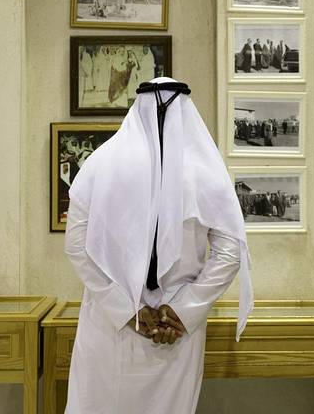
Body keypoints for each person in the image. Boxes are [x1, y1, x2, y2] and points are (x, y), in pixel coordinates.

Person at [64, 77, 253, 414]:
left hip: (111, 322)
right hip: (174, 329)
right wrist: (183, 310)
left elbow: (77, 247)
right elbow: (229, 253)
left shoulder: (99, 165)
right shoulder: (206, 171)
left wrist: (127, 310)